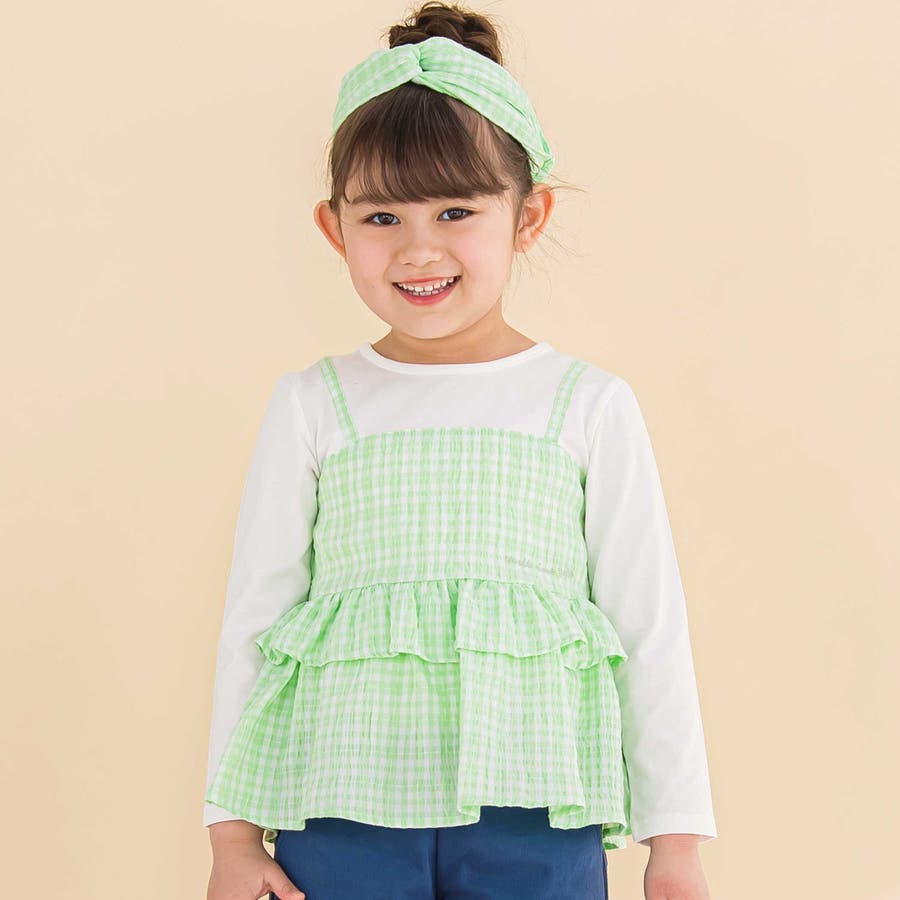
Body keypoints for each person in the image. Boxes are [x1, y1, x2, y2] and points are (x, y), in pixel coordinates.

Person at [203, 3, 717, 898]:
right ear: (334, 227)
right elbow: (254, 625)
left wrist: (675, 845)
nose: (419, 249)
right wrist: (232, 838)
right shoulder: (314, 404)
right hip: (343, 804)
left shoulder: (588, 404)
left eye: (455, 210)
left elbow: (649, 631)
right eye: (381, 217)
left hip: (538, 806)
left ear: (528, 216)